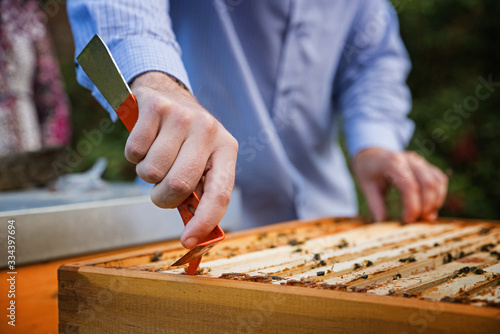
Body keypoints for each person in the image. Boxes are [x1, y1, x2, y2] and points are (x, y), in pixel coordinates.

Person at [68, 0, 448, 249]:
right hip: (179, 228)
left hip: (332, 227)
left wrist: (374, 143)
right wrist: (158, 83)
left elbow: (372, 60)